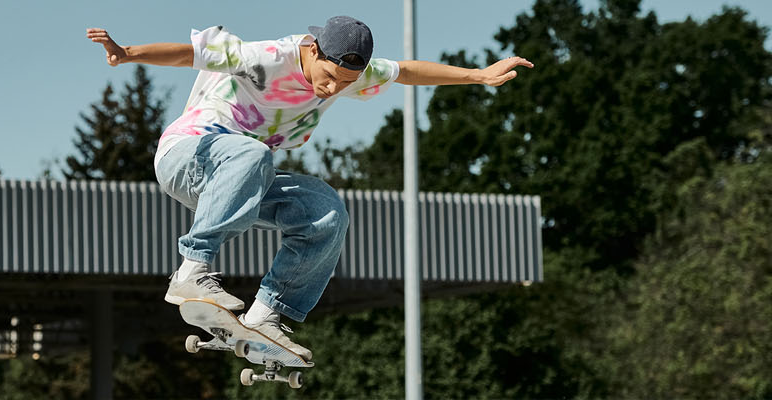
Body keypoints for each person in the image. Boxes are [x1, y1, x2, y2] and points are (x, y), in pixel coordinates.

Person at [84, 16, 534, 359]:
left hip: (241, 179)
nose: (331, 88)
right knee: (253, 153)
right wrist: (128, 52)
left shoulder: (352, 73)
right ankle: (191, 272)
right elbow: (189, 54)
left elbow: (408, 71)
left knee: (326, 210)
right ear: (314, 50)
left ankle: (267, 313)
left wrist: (477, 75)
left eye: (345, 84)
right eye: (329, 76)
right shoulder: (265, 57)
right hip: (189, 155)